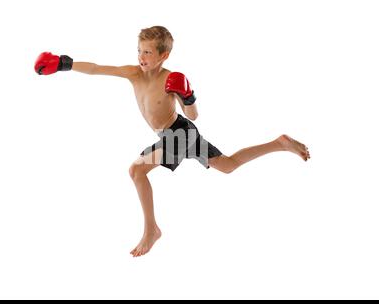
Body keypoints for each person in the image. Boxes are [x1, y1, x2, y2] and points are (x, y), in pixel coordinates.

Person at [34, 26, 310, 257]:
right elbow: (96, 68)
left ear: (164, 55)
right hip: (176, 134)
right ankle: (280, 143)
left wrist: (188, 97)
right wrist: (64, 64)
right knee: (227, 165)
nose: (142, 57)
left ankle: (151, 230)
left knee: (136, 170)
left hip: (180, 132)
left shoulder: (170, 80)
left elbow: (193, 115)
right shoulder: (132, 73)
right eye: (139, 50)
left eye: (148, 52)